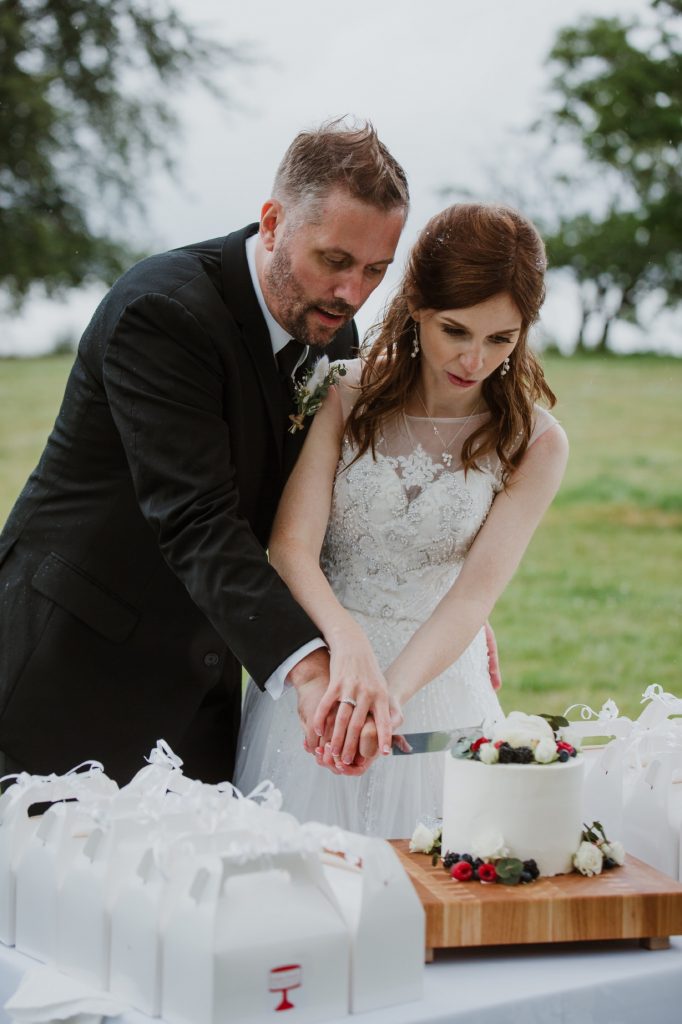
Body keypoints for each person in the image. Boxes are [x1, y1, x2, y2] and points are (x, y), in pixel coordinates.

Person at [0, 119, 409, 785]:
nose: (352, 292)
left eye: (375, 270)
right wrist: (310, 671)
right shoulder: (163, 313)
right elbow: (196, 519)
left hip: (206, 683)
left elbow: (319, 509)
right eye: (334, 260)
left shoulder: (333, 337)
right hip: (72, 674)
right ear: (273, 223)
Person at [235, 202, 569, 837]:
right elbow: (290, 545)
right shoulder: (344, 391)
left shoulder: (535, 443)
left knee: (431, 888)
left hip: (437, 681)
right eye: (456, 330)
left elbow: (474, 597)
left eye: (501, 339)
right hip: (321, 676)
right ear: (417, 307)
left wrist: (389, 695)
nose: (475, 360)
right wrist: (345, 648)